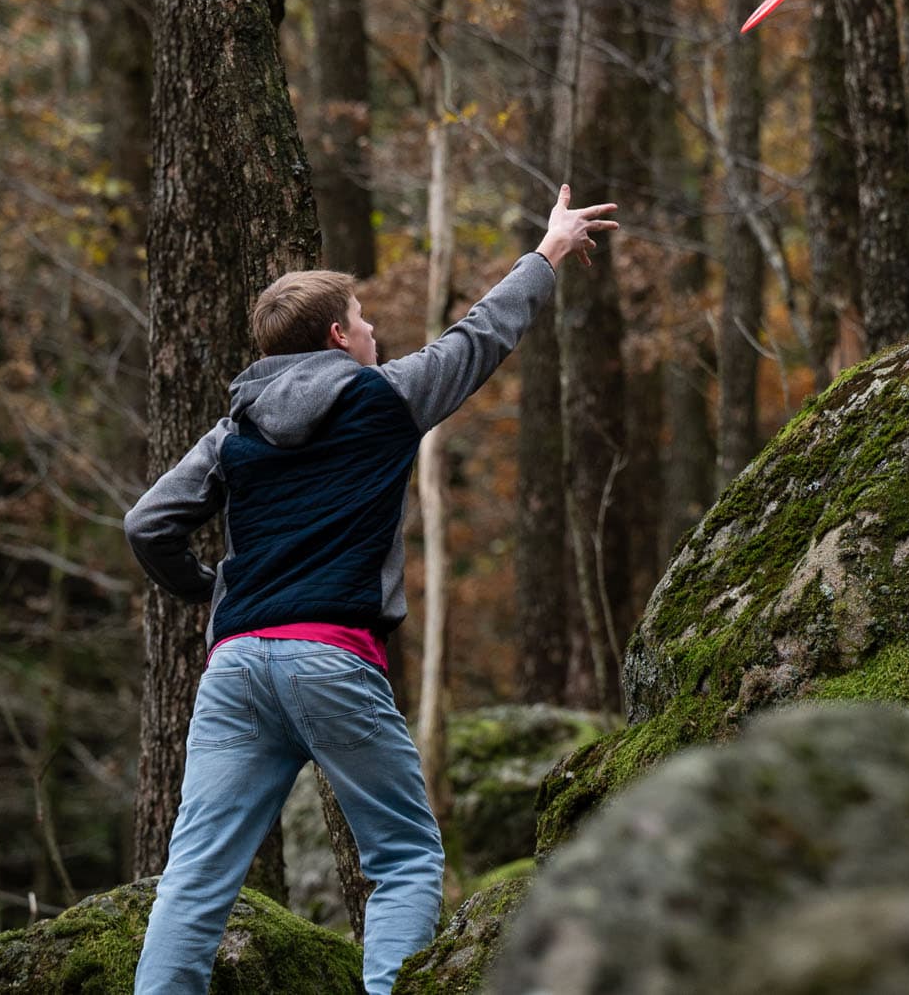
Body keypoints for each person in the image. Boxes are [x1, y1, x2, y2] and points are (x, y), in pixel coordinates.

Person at [124, 188, 617, 995]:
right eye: (363, 318)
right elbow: (481, 335)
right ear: (335, 335)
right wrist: (549, 250)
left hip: (238, 664)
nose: (373, 330)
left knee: (196, 877)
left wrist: (213, 592)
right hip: (329, 660)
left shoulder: (235, 426)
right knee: (406, 857)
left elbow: (149, 525)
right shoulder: (382, 397)